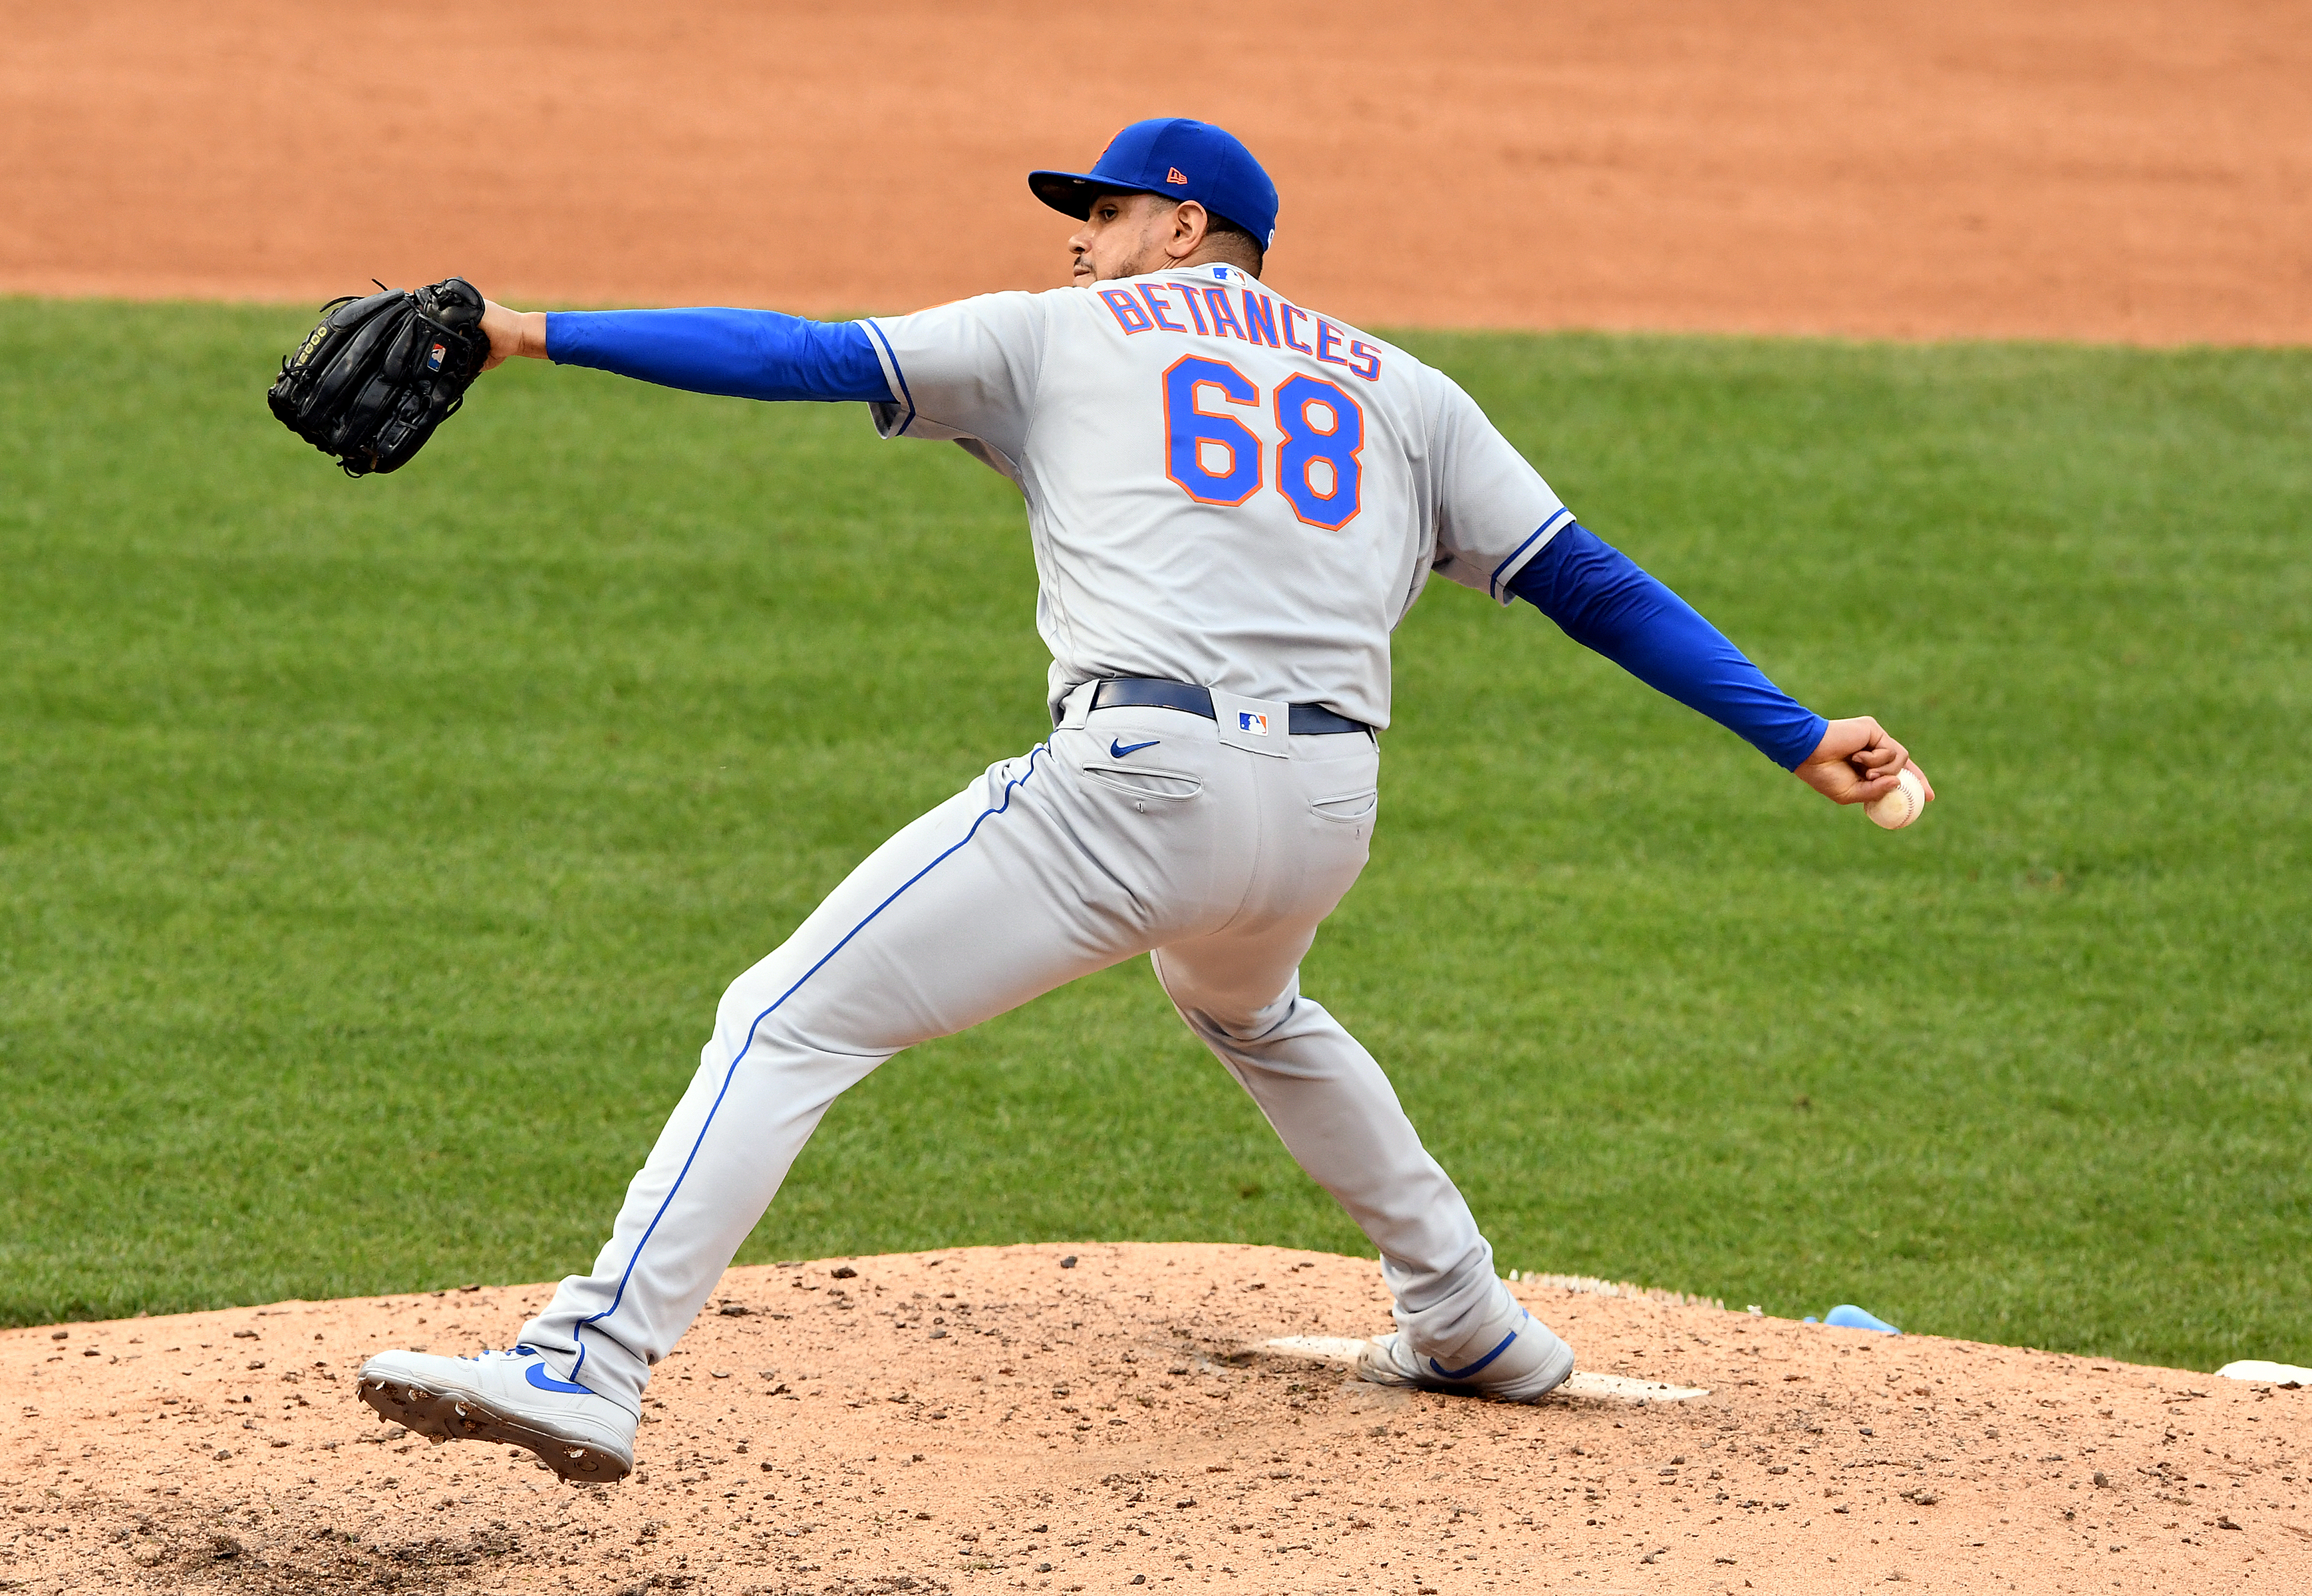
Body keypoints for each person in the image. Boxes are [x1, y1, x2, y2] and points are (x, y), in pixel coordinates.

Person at [356, 117, 1931, 1482]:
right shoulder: (1402, 387)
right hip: (1322, 816)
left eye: (1103, 211)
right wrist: (1792, 733)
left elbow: (807, 355)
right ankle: (1465, 1319)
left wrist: (529, 329)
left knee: (787, 1019)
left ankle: (590, 1362)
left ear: (1185, 226)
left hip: (1139, 790)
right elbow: (1585, 582)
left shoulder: (1065, 335)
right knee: (1251, 1009)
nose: (1076, 235)